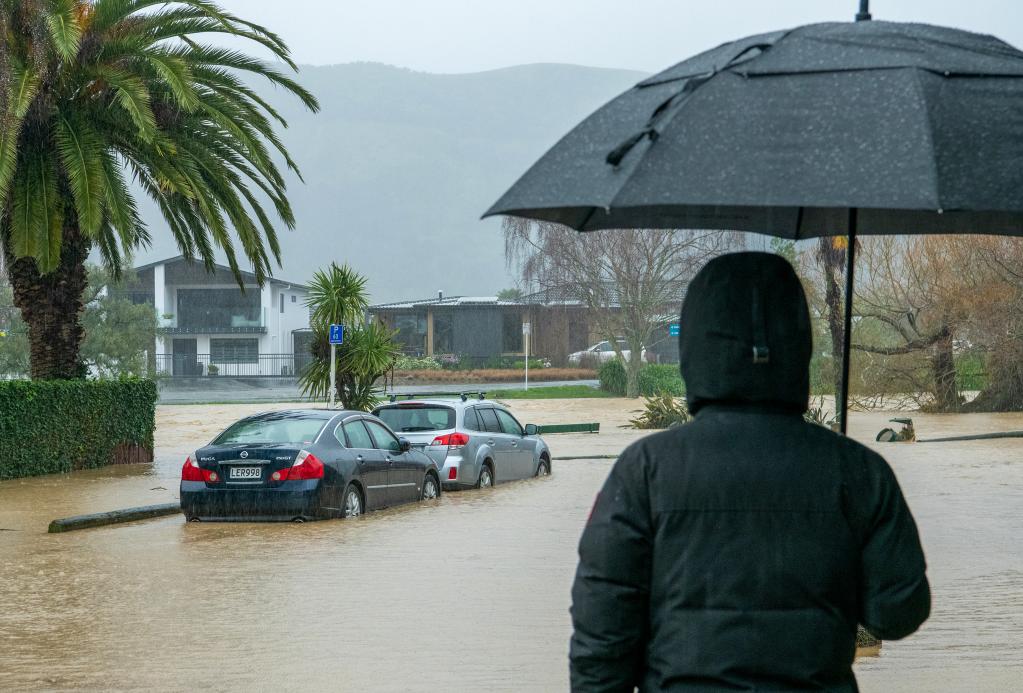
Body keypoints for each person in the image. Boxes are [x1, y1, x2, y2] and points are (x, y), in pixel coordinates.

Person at [569, 252, 930, 692]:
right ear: (799, 346)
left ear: (695, 348)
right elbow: (897, 614)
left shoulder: (643, 470)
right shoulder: (860, 471)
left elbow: (601, 638)